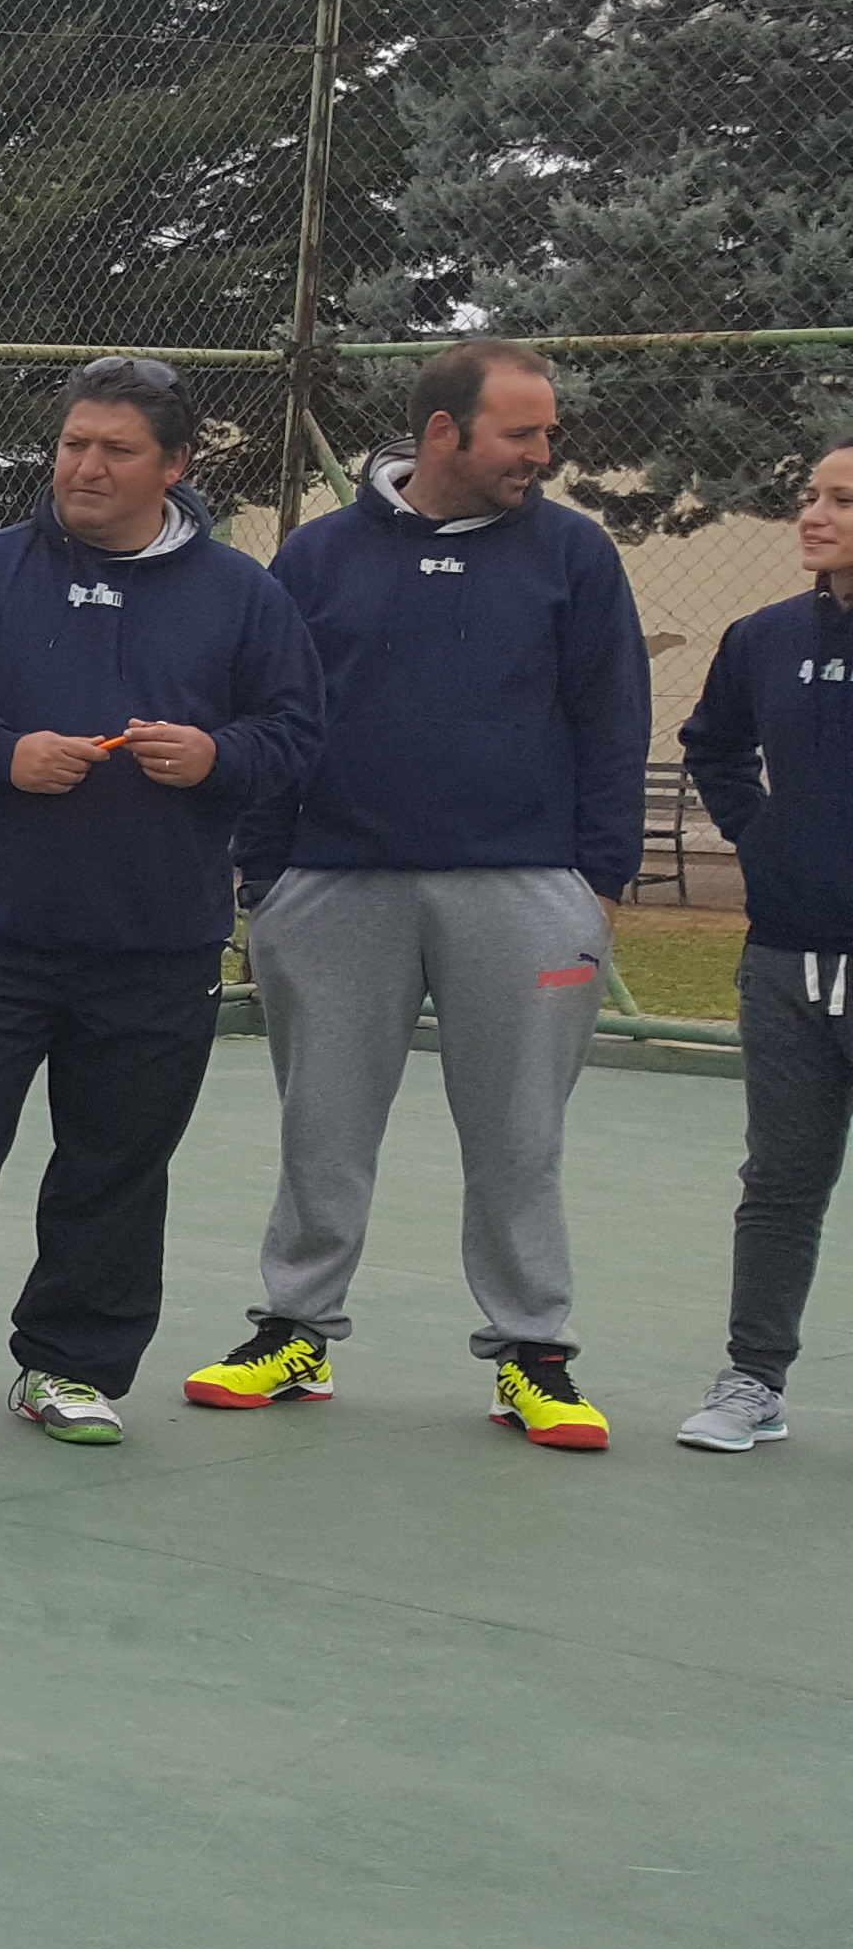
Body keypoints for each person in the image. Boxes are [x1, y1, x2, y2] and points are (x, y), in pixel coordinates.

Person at [0, 358, 319, 1446]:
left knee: (115, 1167)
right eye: (73, 444)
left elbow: (294, 737)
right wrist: (3, 756)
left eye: (114, 449)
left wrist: (215, 757)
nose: (84, 466)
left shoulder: (242, 596)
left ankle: (70, 1369)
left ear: (173, 466)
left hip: (157, 946)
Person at [202, 338, 648, 1449]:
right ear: (443, 432)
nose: (540, 454)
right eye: (520, 434)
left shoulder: (574, 554)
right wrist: (266, 877)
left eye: (546, 434)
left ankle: (531, 1354)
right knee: (321, 1127)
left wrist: (595, 883)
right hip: (332, 888)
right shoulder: (316, 557)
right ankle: (295, 1332)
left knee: (517, 1137)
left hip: (524, 890)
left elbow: (611, 720)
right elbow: (273, 718)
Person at [669, 438, 853, 1454]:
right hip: (784, 961)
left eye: (842, 500)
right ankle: (752, 1381)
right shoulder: (764, 637)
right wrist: (763, 838)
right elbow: (714, 745)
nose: (813, 515)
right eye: (812, 495)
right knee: (780, 1183)